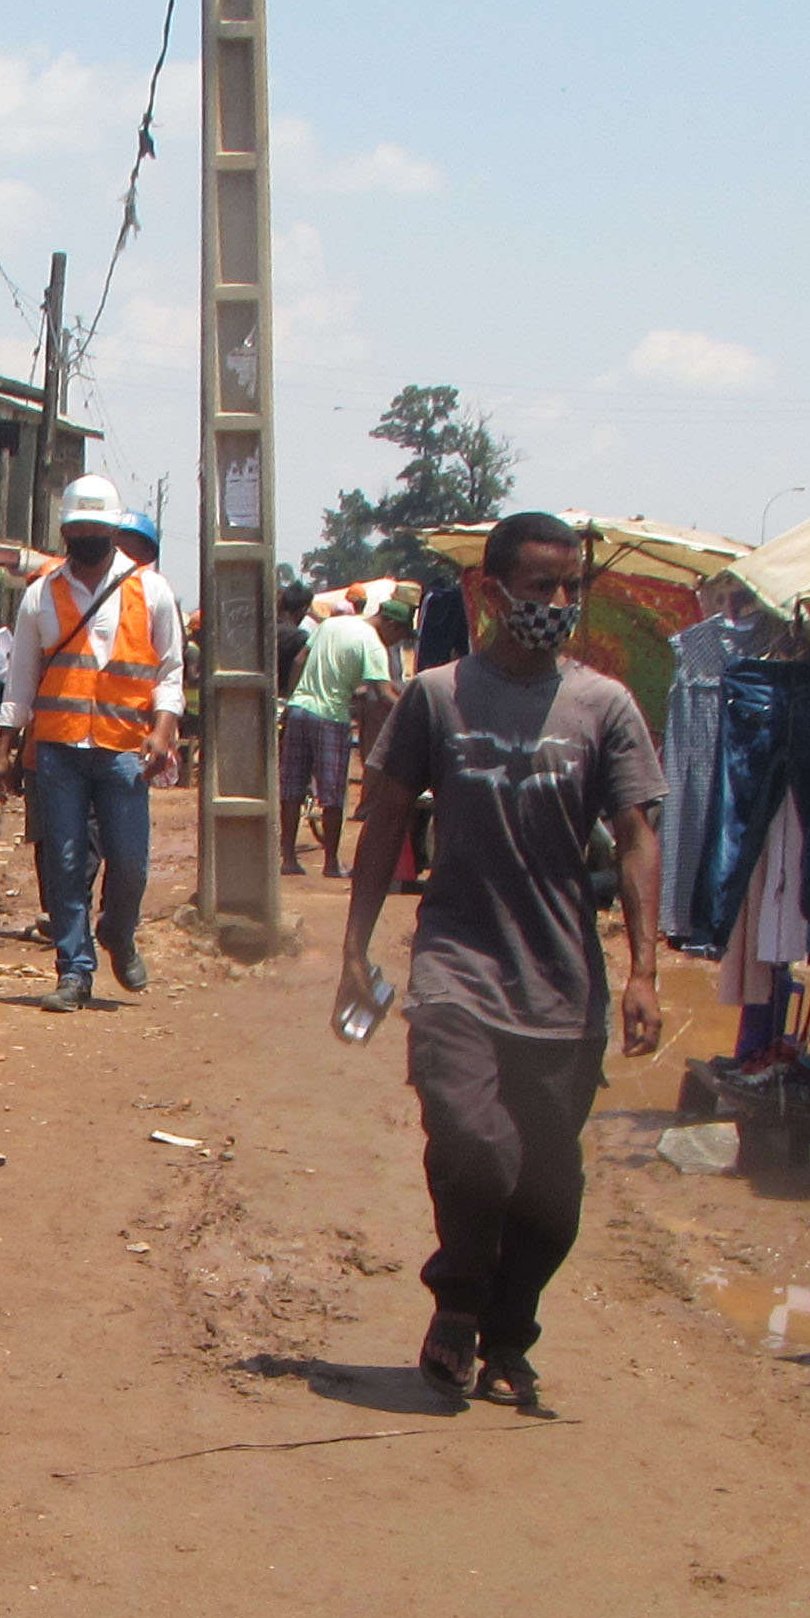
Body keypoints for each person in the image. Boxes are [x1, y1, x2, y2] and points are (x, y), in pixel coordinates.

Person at [337, 511, 666, 1416]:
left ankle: (509, 1339)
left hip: (564, 986)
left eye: (571, 589)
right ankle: (459, 1304)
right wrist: (355, 947)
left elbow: (637, 834)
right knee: (475, 1149)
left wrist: (643, 970)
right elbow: (389, 819)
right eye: (538, 588)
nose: (556, 605)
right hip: (458, 970)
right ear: (490, 593)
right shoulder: (438, 698)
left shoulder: (604, 708)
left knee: (551, 1197)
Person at [0, 474, 185, 1010]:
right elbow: (21, 678)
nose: (88, 538)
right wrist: (5, 747)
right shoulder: (41, 595)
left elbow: (170, 670)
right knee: (65, 865)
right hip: (57, 750)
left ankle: (118, 933)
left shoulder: (152, 591)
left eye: (98, 529)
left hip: (125, 748)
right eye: (79, 529)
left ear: (114, 530)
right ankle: (74, 971)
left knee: (130, 863)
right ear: (66, 531)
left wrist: (163, 728)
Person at [282, 585, 392, 878]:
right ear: (391, 624)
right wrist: (414, 709)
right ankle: (331, 863)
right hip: (331, 717)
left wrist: (292, 698)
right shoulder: (372, 643)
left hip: (299, 709)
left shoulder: (328, 624)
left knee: (292, 787)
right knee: (331, 792)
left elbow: (299, 661)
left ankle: (288, 859)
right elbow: (383, 693)